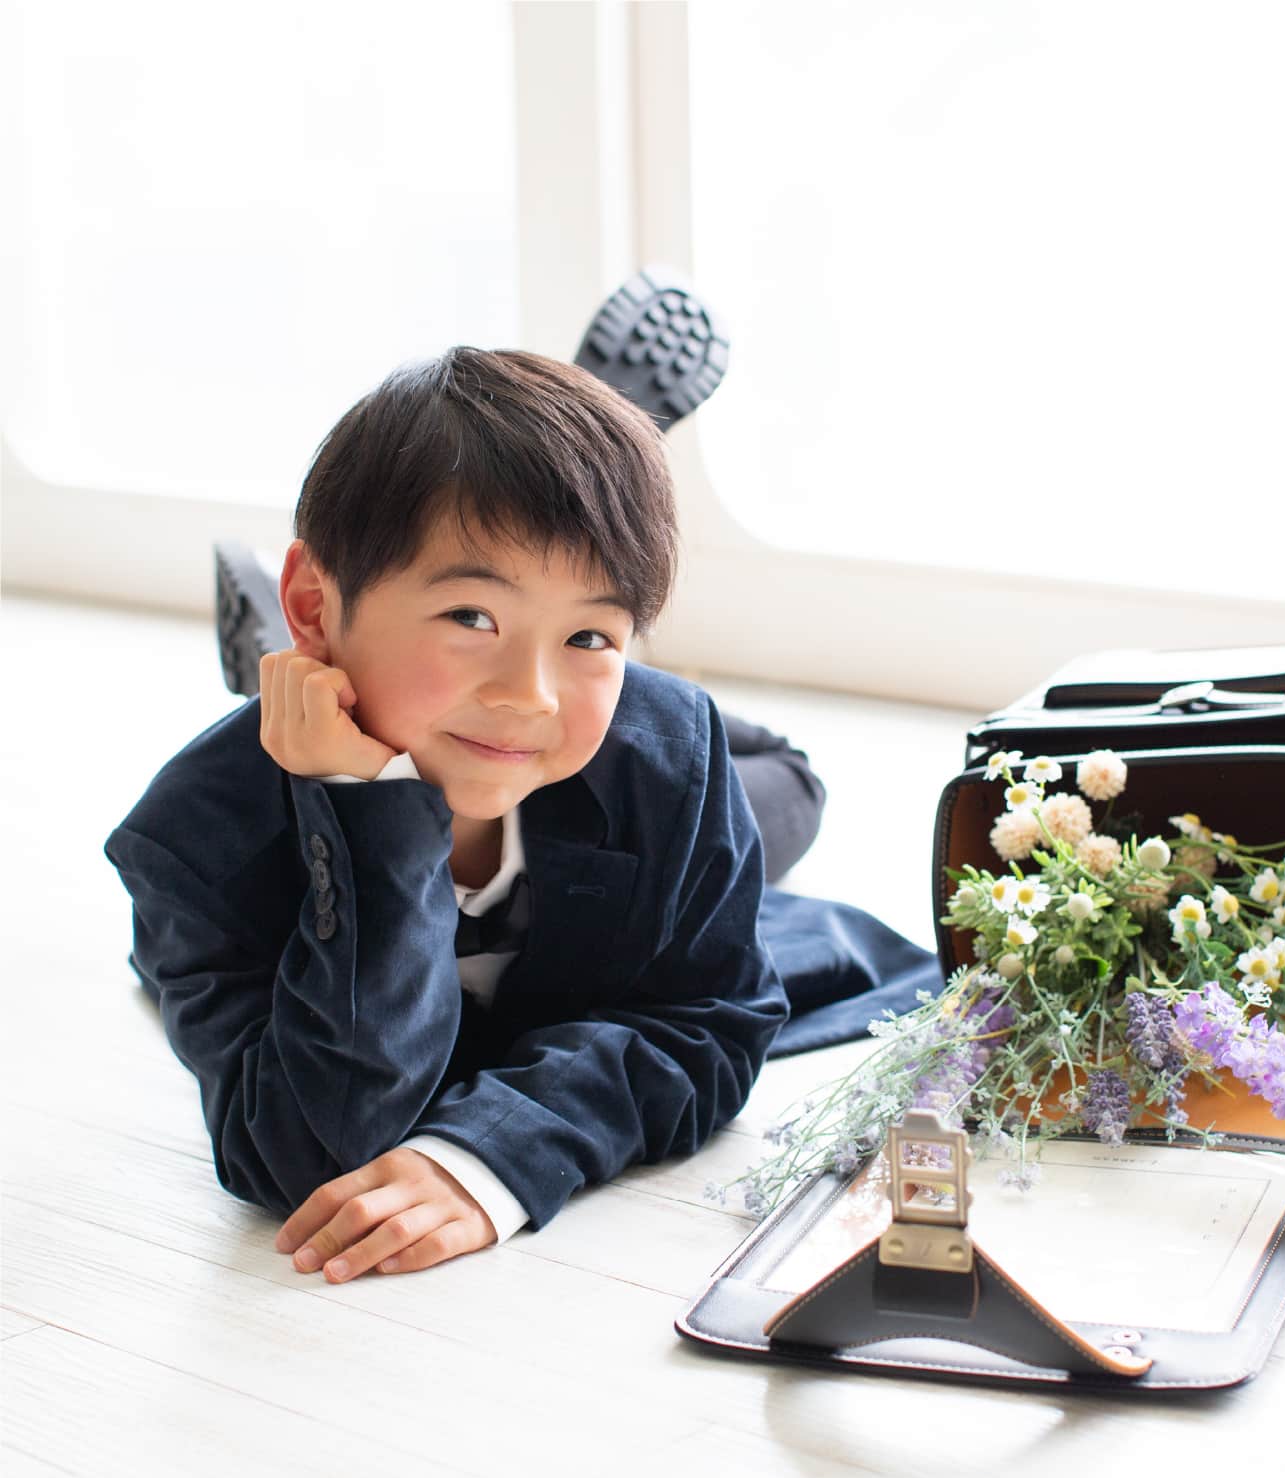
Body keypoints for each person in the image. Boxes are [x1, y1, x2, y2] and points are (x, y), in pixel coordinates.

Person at [104, 346, 941, 1287]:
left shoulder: (669, 747)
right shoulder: (193, 844)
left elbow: (706, 1021)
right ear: (316, 602)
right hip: (453, 757)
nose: (529, 692)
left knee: (788, 787)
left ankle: (531, 518)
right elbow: (307, 1146)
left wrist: (490, 1154)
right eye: (471, 615)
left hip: (626, 758)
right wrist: (368, 811)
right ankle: (394, 606)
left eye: (590, 632)